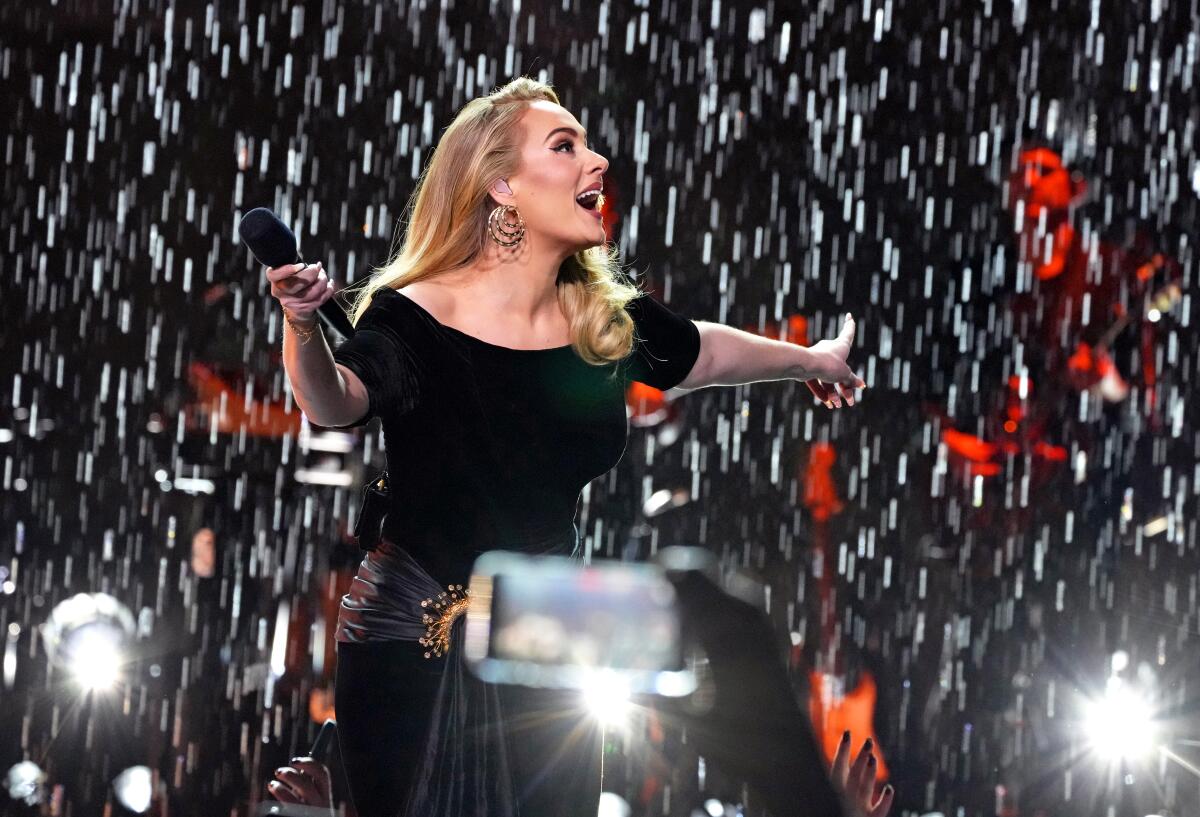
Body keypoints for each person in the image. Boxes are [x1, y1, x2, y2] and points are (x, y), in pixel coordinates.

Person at [266, 76, 867, 817]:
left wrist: (809, 360)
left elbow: (701, 354)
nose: (598, 161)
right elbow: (336, 401)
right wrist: (300, 326)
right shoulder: (415, 311)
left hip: (550, 627)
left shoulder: (599, 318)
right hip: (408, 624)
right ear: (501, 186)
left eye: (588, 143)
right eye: (566, 146)